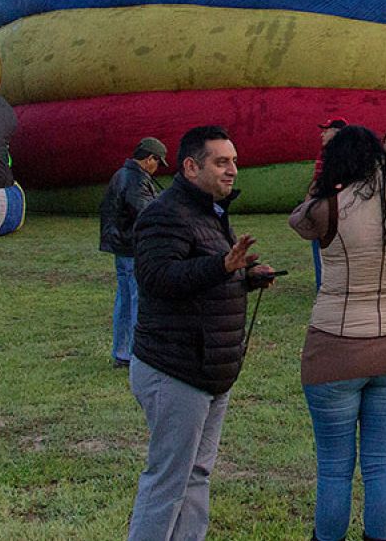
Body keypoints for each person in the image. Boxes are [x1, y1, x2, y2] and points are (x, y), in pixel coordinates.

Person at [127, 126, 281, 541]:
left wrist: (246, 277)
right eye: (221, 162)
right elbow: (158, 278)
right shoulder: (164, 213)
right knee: (167, 482)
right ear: (191, 167)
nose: (232, 170)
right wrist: (224, 267)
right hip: (175, 369)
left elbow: (204, 277)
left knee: (197, 475)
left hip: (210, 369)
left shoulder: (210, 212)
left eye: (234, 161)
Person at [288, 126, 386, 541]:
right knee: (382, 463)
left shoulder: (327, 208)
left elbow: (297, 220)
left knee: (334, 468)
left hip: (336, 345)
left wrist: (320, 185)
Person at [99, 137, 167, 368]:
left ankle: (123, 351)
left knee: (125, 298)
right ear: (150, 159)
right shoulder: (136, 181)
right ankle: (137, 353)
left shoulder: (122, 175)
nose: (157, 169)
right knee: (137, 299)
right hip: (132, 247)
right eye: (157, 163)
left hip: (121, 246)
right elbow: (146, 212)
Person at [313, 119, 348, 289]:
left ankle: (326, 283)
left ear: (336, 132)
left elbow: (318, 183)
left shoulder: (338, 154)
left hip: (333, 205)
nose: (322, 134)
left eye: (326, 130)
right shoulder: (327, 153)